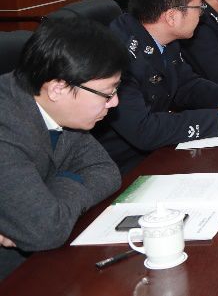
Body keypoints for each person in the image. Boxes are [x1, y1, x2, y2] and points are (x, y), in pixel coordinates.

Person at [96, 0, 218, 172]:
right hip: (125, 167)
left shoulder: (163, 37)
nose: (202, 14)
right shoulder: (119, 56)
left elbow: (186, 85)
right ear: (172, 16)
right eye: (198, 7)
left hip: (161, 150)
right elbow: (143, 130)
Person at [0, 18, 127, 280]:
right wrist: (48, 208)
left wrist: (50, 193)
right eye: (107, 93)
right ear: (58, 88)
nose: (114, 102)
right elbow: (46, 229)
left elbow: (105, 170)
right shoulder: (6, 127)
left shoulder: (58, 110)